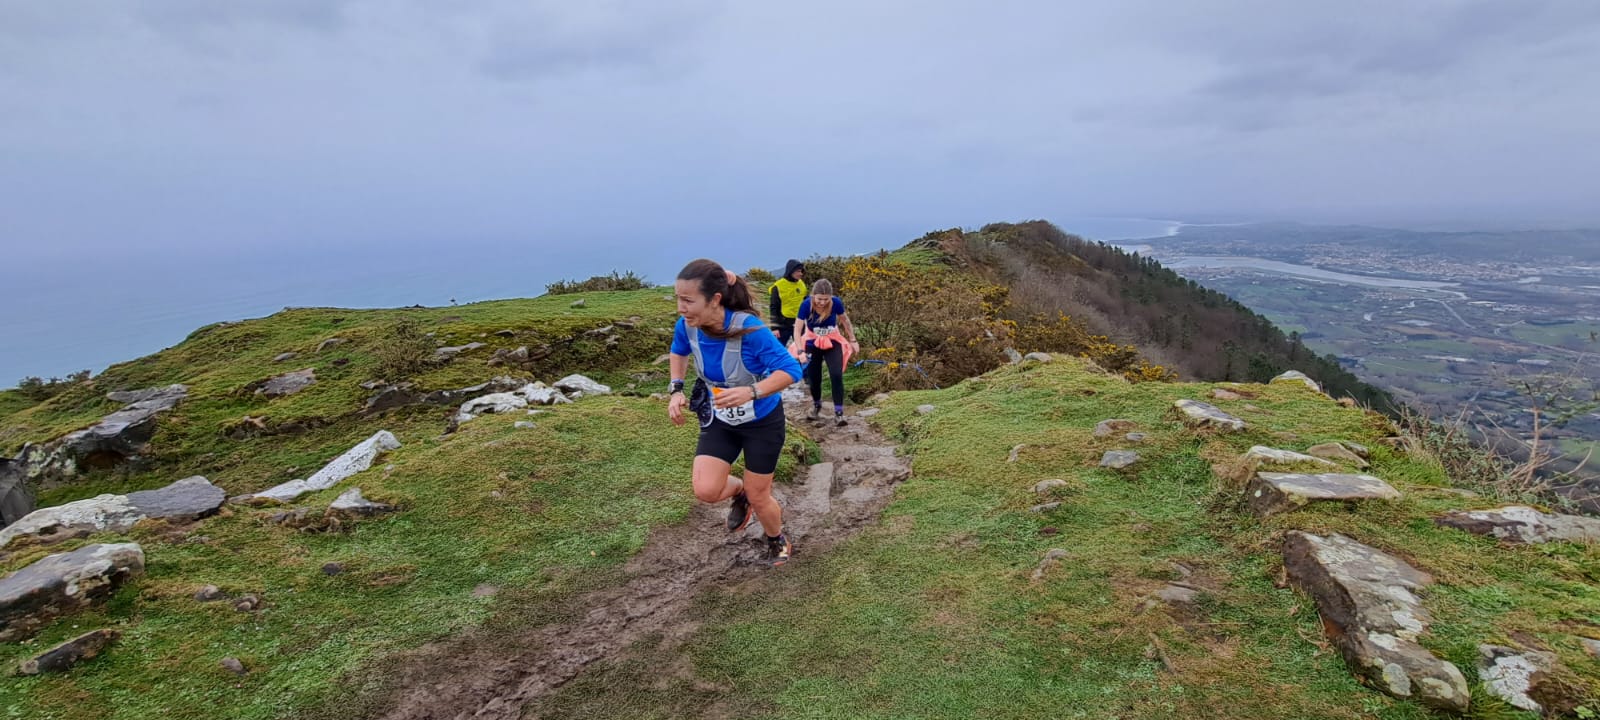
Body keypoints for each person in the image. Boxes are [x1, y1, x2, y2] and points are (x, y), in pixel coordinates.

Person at [668, 259, 805, 566]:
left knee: (761, 495)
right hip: (721, 419)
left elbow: (791, 369)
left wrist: (751, 391)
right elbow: (678, 351)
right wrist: (676, 389)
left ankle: (776, 538)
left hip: (762, 423)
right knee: (706, 489)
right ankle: (739, 492)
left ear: (715, 299)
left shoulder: (751, 331)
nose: (681, 307)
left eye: (688, 301)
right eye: (678, 299)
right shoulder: (687, 327)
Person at [793, 279, 859, 427]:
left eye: (826, 299)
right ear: (813, 296)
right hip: (811, 343)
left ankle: (839, 412)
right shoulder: (806, 305)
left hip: (832, 341)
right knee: (814, 377)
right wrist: (800, 350)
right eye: (819, 299)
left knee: (836, 374)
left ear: (831, 297)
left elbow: (845, 321)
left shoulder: (836, 303)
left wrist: (853, 340)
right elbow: (797, 329)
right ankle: (816, 405)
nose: (822, 302)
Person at [767, 260, 807, 347]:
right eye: (798, 271)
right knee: (778, 350)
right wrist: (774, 328)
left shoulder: (801, 284)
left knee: (803, 348)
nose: (800, 274)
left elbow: (804, 301)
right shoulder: (778, 286)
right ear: (791, 271)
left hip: (799, 322)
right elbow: (773, 308)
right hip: (783, 324)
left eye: (801, 271)